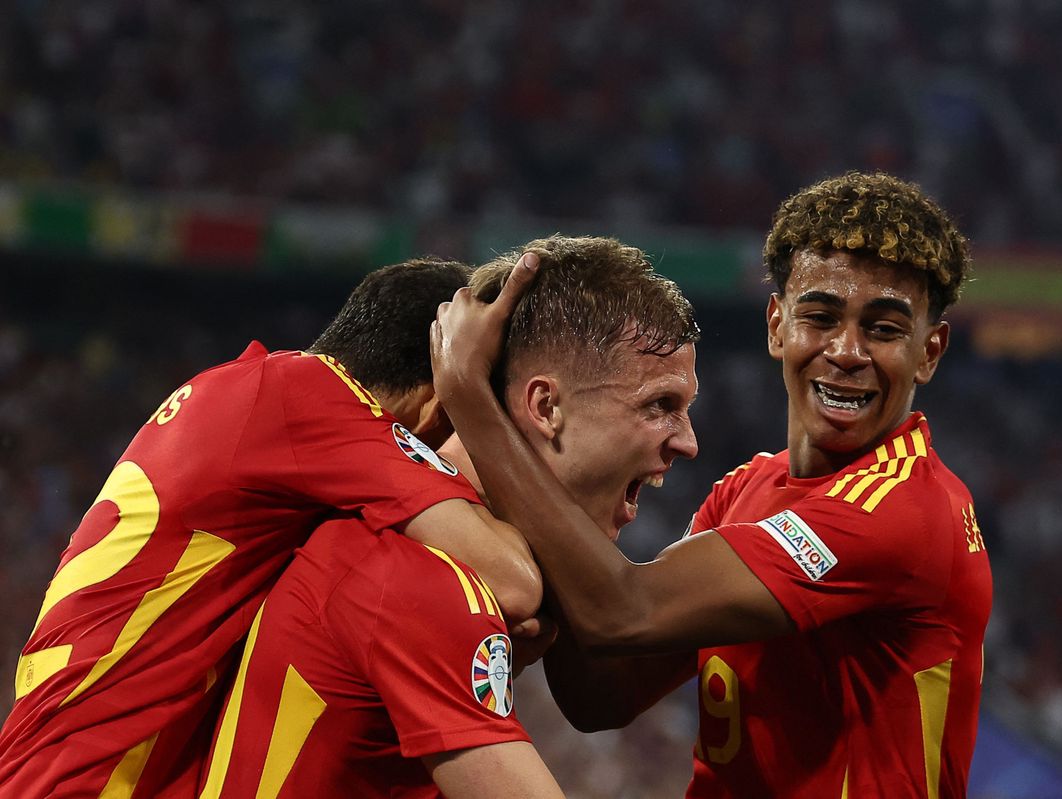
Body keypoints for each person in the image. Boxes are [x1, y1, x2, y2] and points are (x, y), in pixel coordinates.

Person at [432, 172, 992, 797]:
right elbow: (603, 696)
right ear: (778, 325)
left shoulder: (901, 508)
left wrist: (470, 398)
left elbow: (623, 612)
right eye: (821, 316)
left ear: (930, 351)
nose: (847, 350)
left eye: (884, 329)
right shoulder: (747, 490)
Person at [0, 259, 540, 798]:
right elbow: (514, 582)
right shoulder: (310, 399)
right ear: (435, 402)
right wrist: (471, 389)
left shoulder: (250, 393)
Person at [194, 235, 702, 797]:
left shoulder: (406, 542)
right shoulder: (419, 572)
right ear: (545, 407)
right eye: (661, 406)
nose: (688, 443)